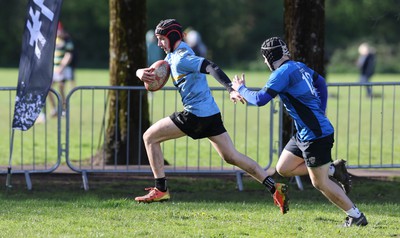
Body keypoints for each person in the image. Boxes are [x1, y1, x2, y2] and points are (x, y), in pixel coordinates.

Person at [135, 19, 289, 214]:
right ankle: (274, 187)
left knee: (149, 137)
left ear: (172, 37)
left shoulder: (182, 57)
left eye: (161, 39)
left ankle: (161, 189)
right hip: (211, 114)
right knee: (232, 156)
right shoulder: (173, 55)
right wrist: (140, 72)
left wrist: (230, 88)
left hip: (195, 115)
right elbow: (150, 70)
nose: (159, 44)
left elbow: (210, 66)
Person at [231, 37, 368, 227]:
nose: (264, 62)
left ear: (270, 56)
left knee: (319, 182)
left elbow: (260, 99)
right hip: (305, 133)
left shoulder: (281, 73)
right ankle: (332, 169)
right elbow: (320, 82)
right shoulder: (298, 66)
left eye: (264, 57)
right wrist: (321, 109)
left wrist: (241, 88)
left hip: (316, 135)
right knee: (283, 168)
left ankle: (356, 215)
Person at [49, 22, 75, 117]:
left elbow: (69, 54)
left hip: (62, 69)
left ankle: (64, 109)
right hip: (54, 69)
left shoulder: (67, 39)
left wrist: (62, 66)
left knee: (61, 88)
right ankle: (54, 108)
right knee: (48, 88)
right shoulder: (53, 39)